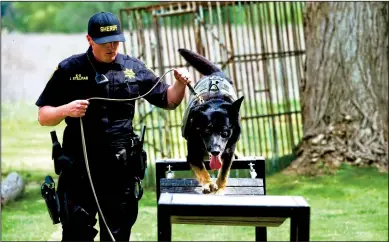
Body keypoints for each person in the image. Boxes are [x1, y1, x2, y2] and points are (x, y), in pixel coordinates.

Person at [36, 12, 191, 241]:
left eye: (116, 41)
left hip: (120, 170)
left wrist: (180, 83)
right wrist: (65, 110)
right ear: (89, 40)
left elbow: (169, 100)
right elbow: (43, 115)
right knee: (76, 235)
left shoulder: (133, 67)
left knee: (117, 236)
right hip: (79, 169)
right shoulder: (70, 69)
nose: (112, 47)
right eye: (105, 42)